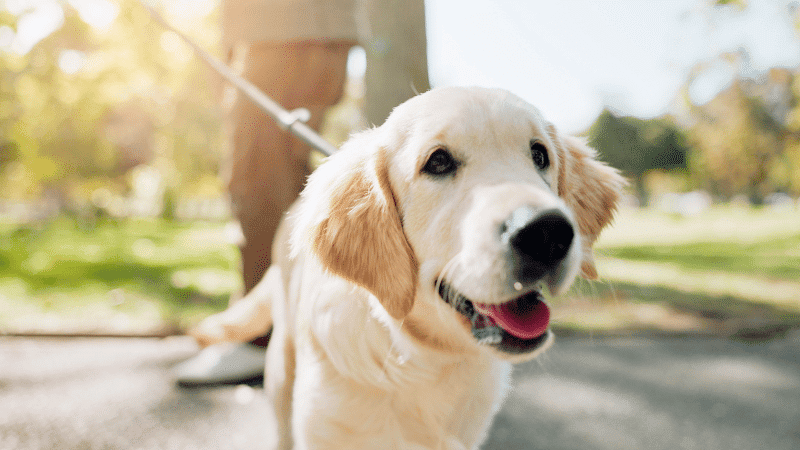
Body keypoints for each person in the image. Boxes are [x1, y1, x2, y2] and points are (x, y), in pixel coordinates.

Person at [175, 0, 429, 386]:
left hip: (285, 33)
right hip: (301, 33)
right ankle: (300, 325)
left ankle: (263, 339)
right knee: (288, 183)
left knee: (256, 180)